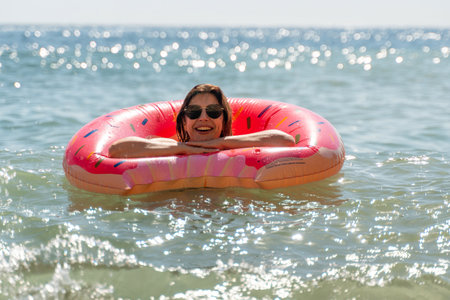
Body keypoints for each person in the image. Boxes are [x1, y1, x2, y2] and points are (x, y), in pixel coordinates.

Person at [108, 84, 295, 158]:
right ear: (184, 119)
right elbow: (117, 150)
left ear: (224, 118)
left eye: (213, 112)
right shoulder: (171, 145)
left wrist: (221, 143)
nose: (203, 118)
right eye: (194, 112)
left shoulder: (235, 145)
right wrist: (182, 149)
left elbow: (285, 141)